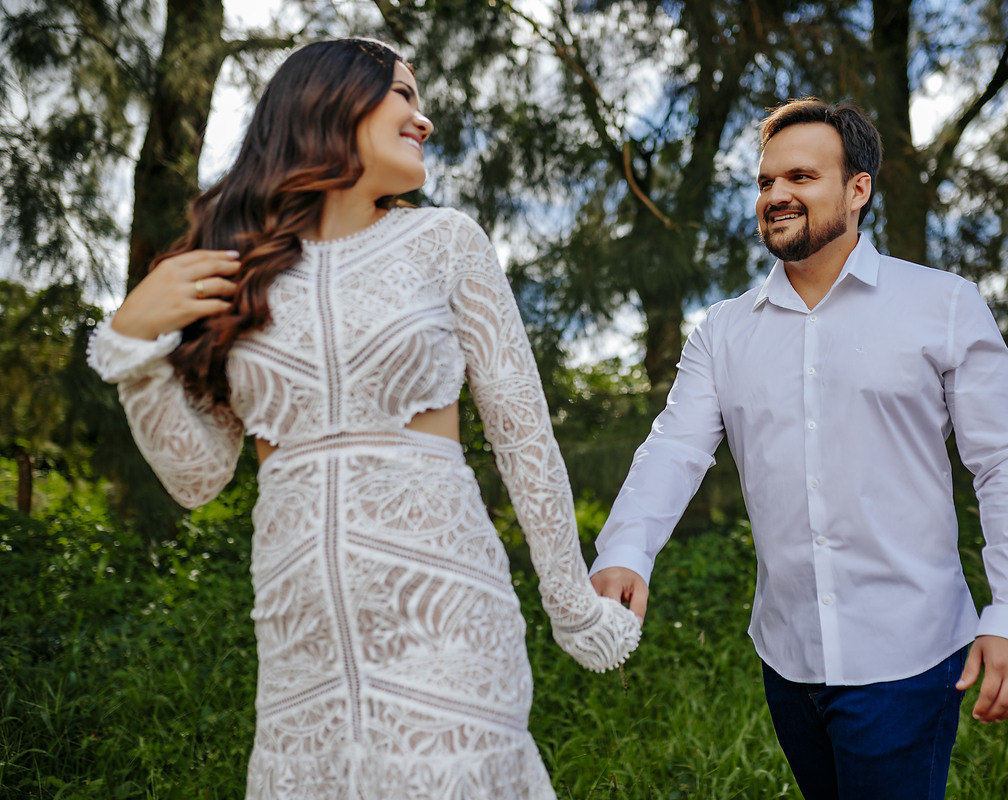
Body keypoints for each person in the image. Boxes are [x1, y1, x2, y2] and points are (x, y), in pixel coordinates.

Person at [88, 38, 640, 799]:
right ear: (329, 100)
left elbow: (522, 436)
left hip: (448, 617)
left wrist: (574, 607)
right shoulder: (237, 270)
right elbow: (197, 478)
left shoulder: (444, 242)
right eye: (403, 94)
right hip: (299, 637)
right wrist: (133, 347)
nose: (424, 118)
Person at [589, 97, 1008, 799]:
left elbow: (1007, 462)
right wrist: (627, 549)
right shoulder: (723, 332)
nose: (776, 194)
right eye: (766, 181)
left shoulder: (944, 305)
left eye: (801, 177)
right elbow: (673, 448)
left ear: (857, 189)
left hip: (908, 656)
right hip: (788, 656)